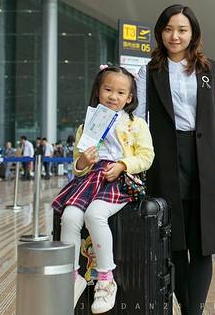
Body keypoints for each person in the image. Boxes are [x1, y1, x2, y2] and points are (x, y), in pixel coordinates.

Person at [135, 4, 215, 315]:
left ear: (193, 34)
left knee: (203, 244)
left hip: (206, 159)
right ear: (160, 33)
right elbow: (138, 121)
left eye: (182, 30)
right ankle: (189, 310)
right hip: (166, 161)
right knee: (175, 245)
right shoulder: (148, 72)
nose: (175, 36)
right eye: (168, 29)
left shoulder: (210, 70)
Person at [51, 65, 154, 313]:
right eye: (108, 89)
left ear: (129, 98)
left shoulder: (136, 124)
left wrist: (122, 165)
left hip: (119, 179)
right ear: (98, 91)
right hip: (89, 180)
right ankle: (72, 277)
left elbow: (146, 156)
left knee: (94, 214)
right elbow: (78, 166)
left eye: (120, 92)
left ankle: (106, 279)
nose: (113, 96)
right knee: (69, 216)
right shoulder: (86, 126)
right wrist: (83, 162)